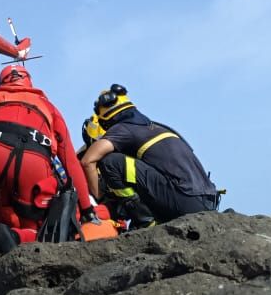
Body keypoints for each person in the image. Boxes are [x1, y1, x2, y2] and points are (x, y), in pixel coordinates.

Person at [0, 64, 96, 252]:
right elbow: (69, 160)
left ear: (1, 82)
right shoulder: (48, 106)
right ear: (29, 81)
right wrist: (87, 208)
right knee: (36, 224)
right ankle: (19, 236)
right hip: (33, 160)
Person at [80, 84, 219, 228]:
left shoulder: (123, 129)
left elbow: (87, 161)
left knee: (110, 162)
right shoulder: (156, 129)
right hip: (206, 202)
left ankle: (144, 221)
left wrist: (100, 201)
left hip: (185, 202)